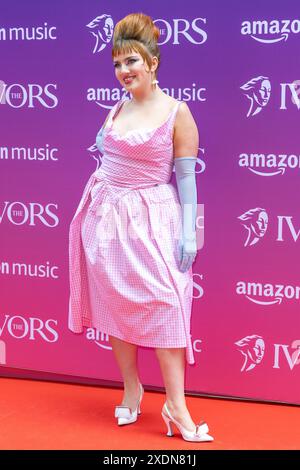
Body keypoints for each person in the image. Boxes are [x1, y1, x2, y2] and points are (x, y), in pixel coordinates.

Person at [68, 12, 213, 443]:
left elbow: (188, 178)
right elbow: (105, 156)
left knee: (169, 305)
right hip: (106, 220)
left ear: (152, 62)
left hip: (155, 220)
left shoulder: (177, 113)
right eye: (116, 64)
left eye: (130, 61)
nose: (123, 71)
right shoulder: (117, 108)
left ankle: (176, 406)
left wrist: (194, 234)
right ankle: (131, 389)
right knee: (117, 308)